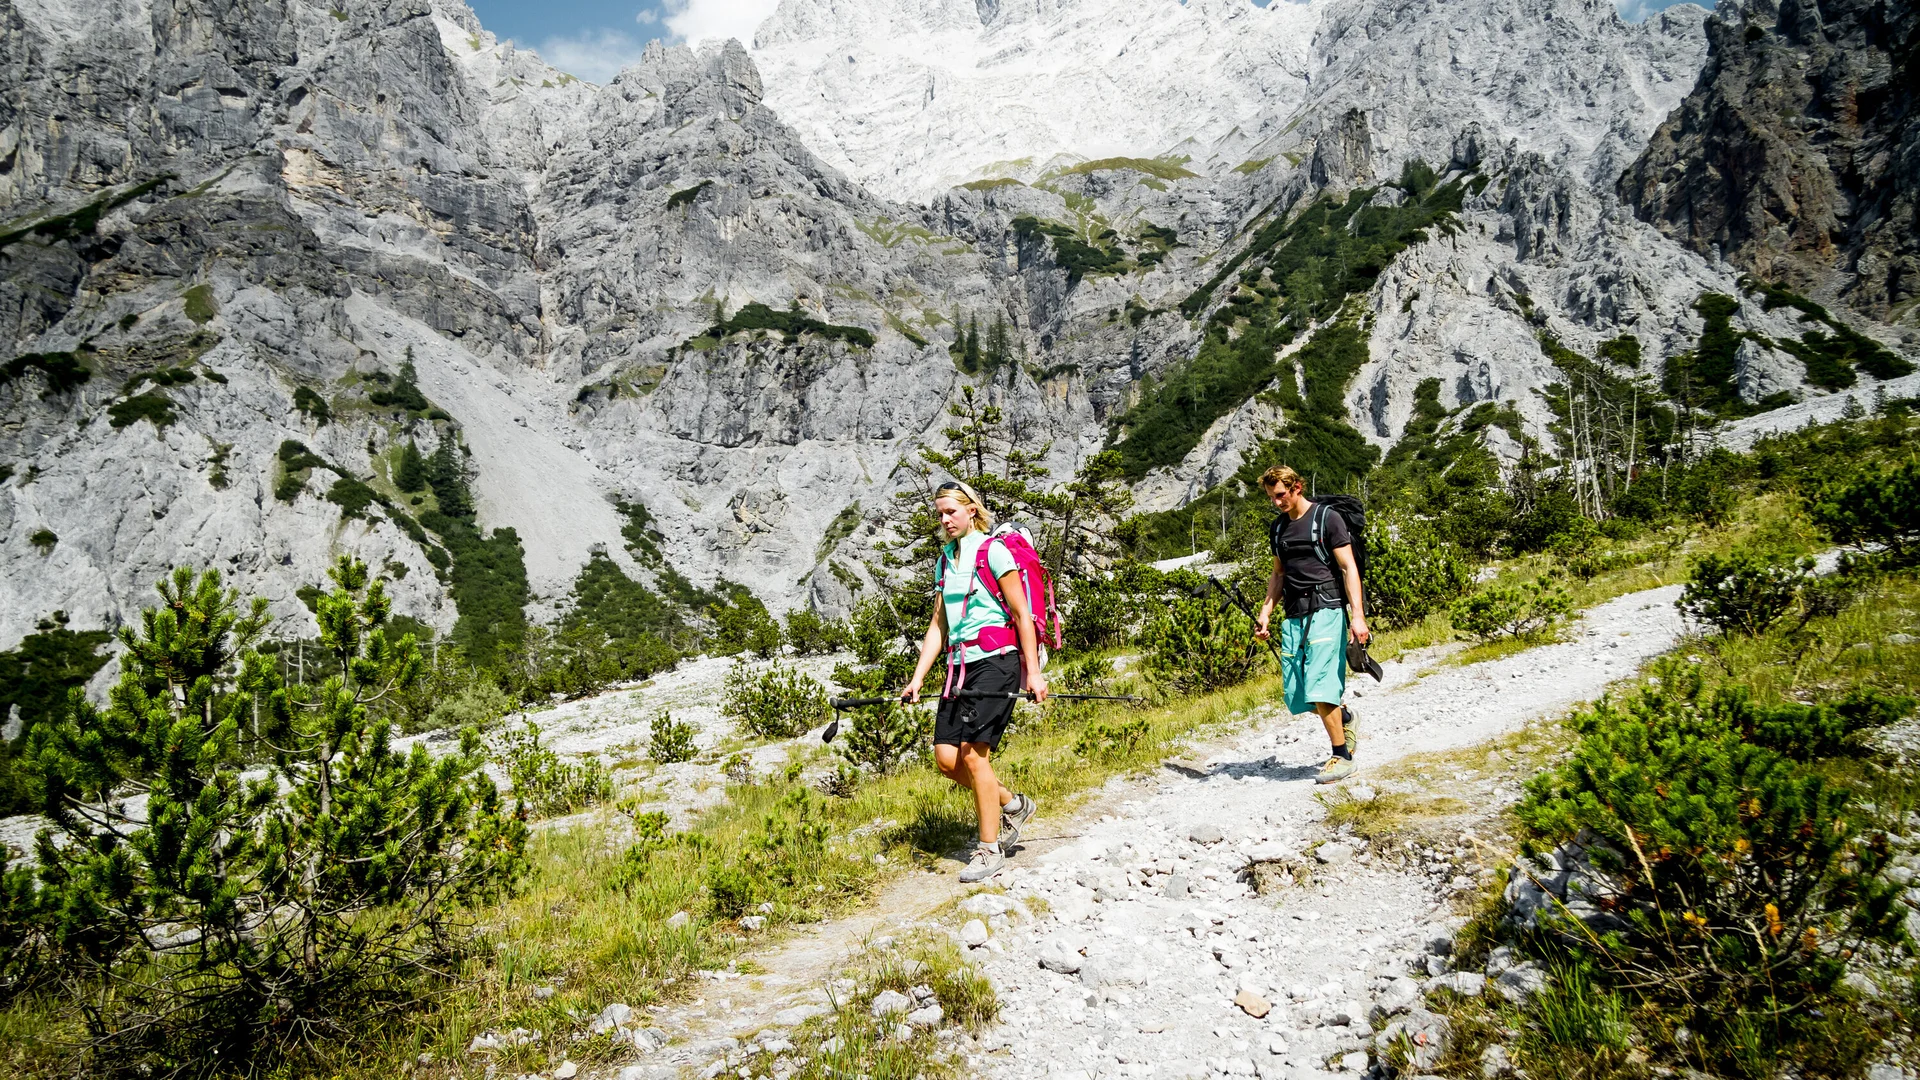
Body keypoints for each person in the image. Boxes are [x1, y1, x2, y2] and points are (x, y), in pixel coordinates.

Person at [902, 480, 1046, 883]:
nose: (945, 520)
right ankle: (1014, 805)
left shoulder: (993, 551)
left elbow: (1021, 615)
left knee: (973, 756)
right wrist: (917, 679)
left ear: (971, 510)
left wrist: (1032, 672)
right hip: (959, 665)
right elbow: (938, 626)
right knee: (947, 761)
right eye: (940, 514)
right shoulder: (945, 560)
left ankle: (988, 849)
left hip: (997, 662)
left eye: (951, 511)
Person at [1252, 466, 1371, 783]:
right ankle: (1345, 716)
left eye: (1280, 495)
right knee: (1297, 692)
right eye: (1272, 498)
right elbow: (1278, 574)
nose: (1277, 502)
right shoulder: (1278, 530)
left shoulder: (1327, 519)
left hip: (1326, 608)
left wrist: (1357, 616)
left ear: (1297, 488)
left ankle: (1341, 756)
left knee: (1320, 683)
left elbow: (1348, 568)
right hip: (1294, 612)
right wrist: (1266, 612)